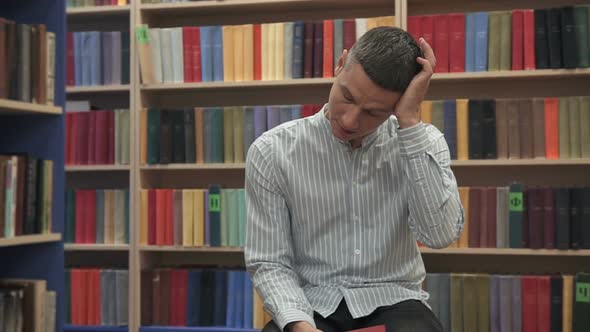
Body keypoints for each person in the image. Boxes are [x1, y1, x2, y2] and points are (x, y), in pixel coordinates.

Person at [244, 26, 464, 332]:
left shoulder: (422, 143)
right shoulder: (272, 152)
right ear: (339, 64)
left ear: (396, 106)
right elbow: (270, 262)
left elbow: (439, 235)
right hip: (312, 305)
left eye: (373, 113)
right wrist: (299, 324)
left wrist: (410, 123)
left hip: (395, 303)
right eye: (347, 96)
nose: (349, 120)